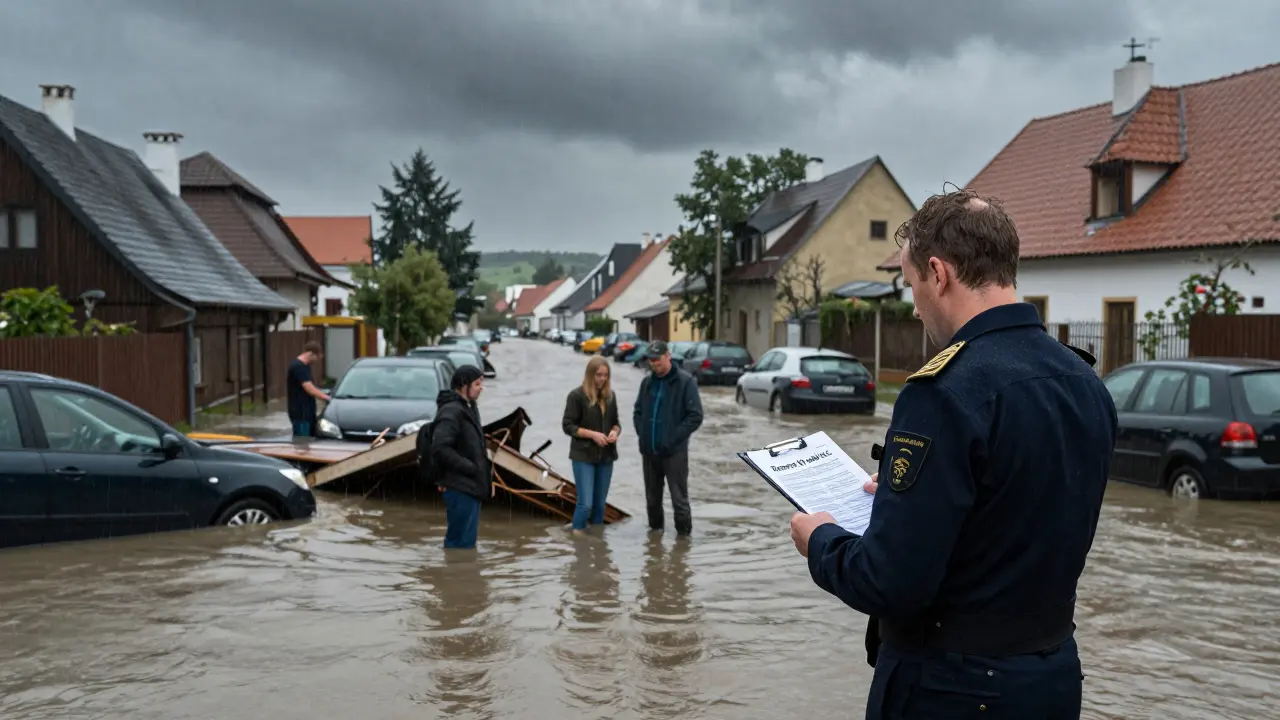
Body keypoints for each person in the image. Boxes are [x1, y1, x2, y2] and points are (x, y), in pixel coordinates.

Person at [788, 189, 1117, 720]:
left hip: (953, 688)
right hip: (1052, 678)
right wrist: (911, 493)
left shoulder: (945, 390)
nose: (915, 308)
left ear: (938, 274)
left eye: (912, 286)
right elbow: (1013, 507)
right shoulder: (1083, 381)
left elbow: (891, 582)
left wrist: (820, 540)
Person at [632, 340, 703, 537]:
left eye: (658, 359)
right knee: (652, 500)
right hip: (649, 452)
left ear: (668, 356)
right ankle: (654, 540)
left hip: (674, 453)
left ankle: (683, 542)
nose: (654, 364)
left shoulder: (685, 382)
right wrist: (643, 435)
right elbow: (638, 412)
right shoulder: (647, 383)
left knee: (679, 500)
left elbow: (695, 416)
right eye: (651, 360)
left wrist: (672, 438)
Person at [431, 365, 492, 550]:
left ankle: (462, 576)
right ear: (463, 386)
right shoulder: (451, 411)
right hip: (460, 487)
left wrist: (485, 477)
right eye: (476, 384)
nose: (480, 387)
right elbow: (440, 447)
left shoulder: (469, 408)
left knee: (467, 542)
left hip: (471, 486)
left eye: (481, 383)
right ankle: (454, 575)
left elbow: (475, 448)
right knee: (459, 543)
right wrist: (470, 468)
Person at [561, 355, 621, 533]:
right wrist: (593, 435)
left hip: (606, 456)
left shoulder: (611, 397)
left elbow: (616, 423)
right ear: (590, 375)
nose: (602, 379)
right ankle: (578, 539)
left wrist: (615, 432)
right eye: (598, 375)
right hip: (583, 456)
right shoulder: (576, 396)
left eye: (605, 375)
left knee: (599, 506)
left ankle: (596, 541)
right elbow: (568, 426)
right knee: (585, 504)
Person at [287, 341, 330, 438]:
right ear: (311, 354)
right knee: (302, 443)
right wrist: (327, 398)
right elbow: (309, 388)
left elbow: (312, 387)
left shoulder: (305, 367)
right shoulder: (298, 367)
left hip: (307, 412)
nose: (317, 361)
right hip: (301, 413)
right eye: (317, 357)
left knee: (309, 441)